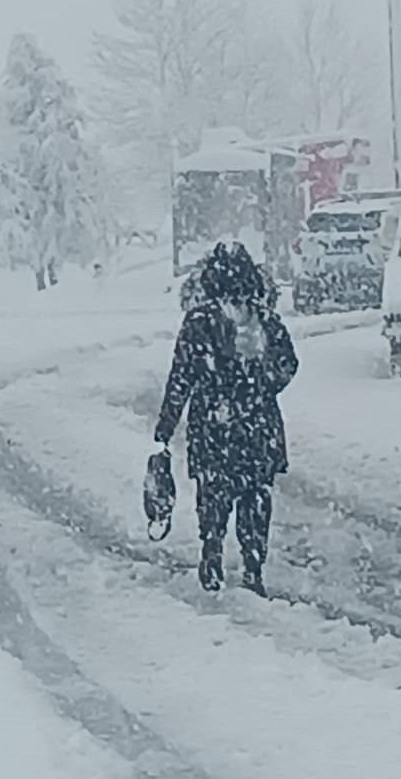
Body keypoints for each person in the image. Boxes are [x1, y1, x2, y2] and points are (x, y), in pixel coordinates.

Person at [153, 241, 298, 595]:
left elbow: (181, 376)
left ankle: (212, 550)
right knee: (256, 496)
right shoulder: (266, 320)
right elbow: (288, 364)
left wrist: (167, 425)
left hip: (211, 427)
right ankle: (253, 566)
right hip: (258, 427)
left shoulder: (198, 322)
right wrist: (261, 388)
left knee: (213, 493)